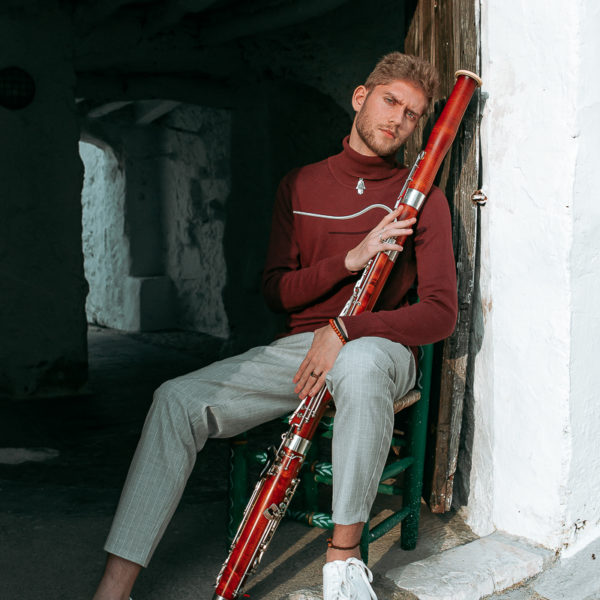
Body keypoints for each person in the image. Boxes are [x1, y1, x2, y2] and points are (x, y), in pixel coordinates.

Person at [92, 52, 457, 600]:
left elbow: (440, 312)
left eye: (412, 114)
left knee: (357, 364)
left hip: (380, 348)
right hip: (302, 350)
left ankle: (342, 562)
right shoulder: (301, 185)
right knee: (176, 400)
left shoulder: (422, 197)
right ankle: (114, 586)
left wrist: (347, 329)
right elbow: (275, 290)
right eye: (391, 101)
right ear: (361, 97)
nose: (399, 120)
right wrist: (348, 261)